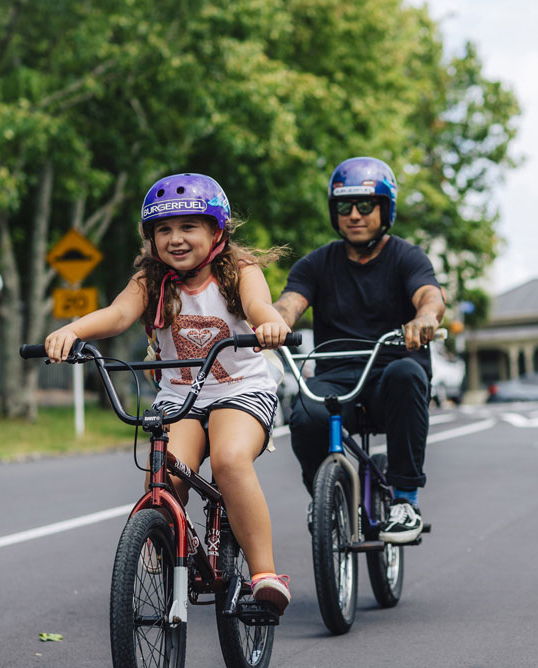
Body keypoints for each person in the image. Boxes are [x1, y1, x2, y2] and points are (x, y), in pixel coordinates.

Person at [44, 173, 294, 613]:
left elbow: (258, 307)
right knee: (167, 473)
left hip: (240, 389)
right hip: (180, 396)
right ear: (151, 238)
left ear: (216, 231)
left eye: (188, 227)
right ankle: (166, 541)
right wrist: (73, 330)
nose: (175, 239)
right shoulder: (152, 281)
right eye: (164, 230)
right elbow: (119, 314)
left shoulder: (239, 272)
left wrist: (268, 323)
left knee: (229, 460)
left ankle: (264, 575)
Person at [273, 156, 445, 544]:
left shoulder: (407, 257)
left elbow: (429, 296)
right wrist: (272, 324)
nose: (354, 215)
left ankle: (404, 500)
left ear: (385, 209)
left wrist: (425, 319)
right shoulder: (315, 264)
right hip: (337, 373)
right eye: (344, 206)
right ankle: (326, 497)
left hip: (391, 371)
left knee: (407, 374)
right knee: (305, 412)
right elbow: (289, 305)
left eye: (365, 206)